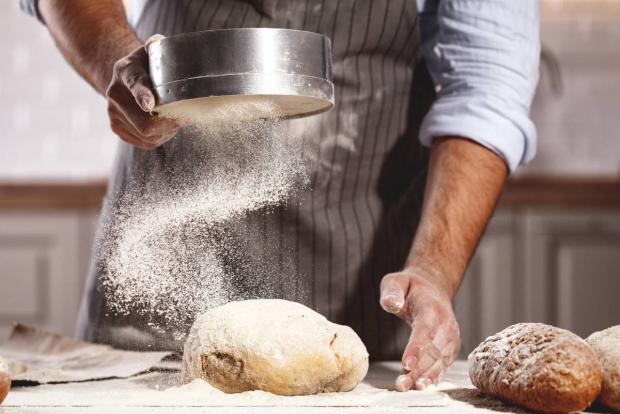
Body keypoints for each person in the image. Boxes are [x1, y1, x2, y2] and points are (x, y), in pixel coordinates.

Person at [21, 0, 540, 391]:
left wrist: (432, 269)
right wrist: (119, 61)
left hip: (357, 251)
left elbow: (486, 86)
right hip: (164, 246)